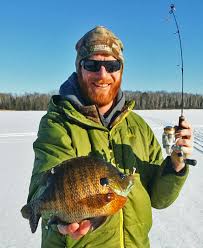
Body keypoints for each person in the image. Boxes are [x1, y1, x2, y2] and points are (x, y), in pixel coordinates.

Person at [26, 26, 193, 248]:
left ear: (121, 70)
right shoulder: (58, 123)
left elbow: (159, 199)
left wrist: (175, 165)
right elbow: (44, 181)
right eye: (92, 64)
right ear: (79, 69)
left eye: (112, 65)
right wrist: (56, 219)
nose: (102, 74)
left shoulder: (139, 127)